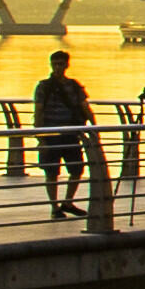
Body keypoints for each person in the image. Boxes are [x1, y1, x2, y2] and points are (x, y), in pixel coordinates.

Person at [30, 48, 98, 217]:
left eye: (61, 64)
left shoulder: (74, 86)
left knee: (76, 170)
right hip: (51, 134)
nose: (58, 67)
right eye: (55, 64)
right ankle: (55, 208)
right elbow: (38, 111)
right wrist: (41, 137)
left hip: (71, 134)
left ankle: (68, 202)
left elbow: (85, 106)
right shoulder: (43, 87)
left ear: (67, 65)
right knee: (51, 173)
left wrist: (94, 127)